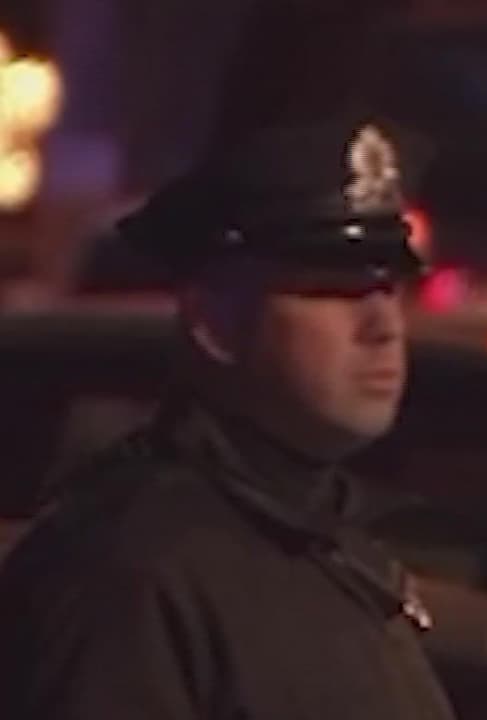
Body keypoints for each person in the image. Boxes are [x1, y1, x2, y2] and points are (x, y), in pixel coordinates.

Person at [0, 111, 457, 720]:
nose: (382, 326)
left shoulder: (327, 542)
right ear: (215, 322)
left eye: (389, 288)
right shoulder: (134, 570)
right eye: (332, 288)